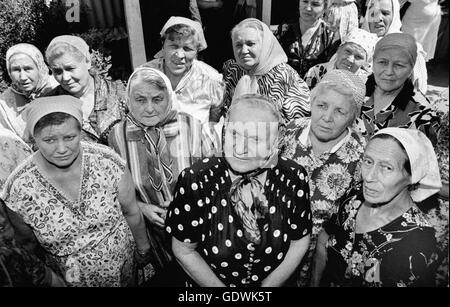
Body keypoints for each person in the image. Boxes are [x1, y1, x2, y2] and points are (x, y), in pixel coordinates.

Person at [1, 96, 151, 287]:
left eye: (70, 137)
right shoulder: (18, 189)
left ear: (81, 132)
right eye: (49, 140)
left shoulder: (107, 162)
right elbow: (27, 244)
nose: (62, 148)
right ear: (34, 139)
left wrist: (144, 250)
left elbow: (131, 211)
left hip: (126, 269)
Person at [165, 94, 312, 287]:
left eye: (255, 138)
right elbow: (184, 251)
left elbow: (299, 241)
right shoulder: (196, 180)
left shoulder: (293, 177)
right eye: (235, 133)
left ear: (275, 141)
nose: (240, 148)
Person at [108, 67, 219, 281]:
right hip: (153, 231)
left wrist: (186, 208)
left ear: (169, 97)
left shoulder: (191, 126)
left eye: (157, 99)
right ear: (128, 100)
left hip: (200, 227)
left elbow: (217, 178)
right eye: (140, 100)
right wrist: (141, 208)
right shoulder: (118, 135)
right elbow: (112, 190)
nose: (149, 108)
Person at [311, 127, 441, 286]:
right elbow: (323, 241)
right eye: (368, 161)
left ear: (412, 176)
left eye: (387, 167)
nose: (370, 177)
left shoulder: (416, 240)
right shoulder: (355, 196)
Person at [280, 69, 367, 286]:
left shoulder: (360, 153)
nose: (327, 118)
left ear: (353, 116)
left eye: (340, 111)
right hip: (273, 243)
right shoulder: (289, 131)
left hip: (318, 257)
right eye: (321, 105)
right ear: (312, 102)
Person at [221, 18, 311, 124]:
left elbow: (299, 124)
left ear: (265, 45)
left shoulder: (282, 75)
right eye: (238, 45)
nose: (244, 51)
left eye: (250, 44)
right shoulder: (233, 70)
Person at [356, 32, 440, 144]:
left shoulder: (423, 114)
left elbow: (421, 158)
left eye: (399, 65)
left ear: (411, 69)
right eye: (382, 62)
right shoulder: (354, 89)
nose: (389, 72)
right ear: (373, 61)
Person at [140, 17, 224, 125]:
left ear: (197, 51)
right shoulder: (145, 75)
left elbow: (215, 117)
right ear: (163, 46)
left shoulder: (210, 79)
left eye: (187, 48)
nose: (179, 55)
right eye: (174, 46)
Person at [45, 35, 126, 145]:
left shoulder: (119, 93)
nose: (65, 78)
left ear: (87, 62)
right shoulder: (49, 106)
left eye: (70, 68)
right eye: (58, 72)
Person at [361, 0, 428, 93]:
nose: (378, 18)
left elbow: (419, 92)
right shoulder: (354, 44)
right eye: (373, 13)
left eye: (385, 13)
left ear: (394, 16)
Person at [0, 43, 58, 142]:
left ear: (39, 67)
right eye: (16, 70)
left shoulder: (57, 87)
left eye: (28, 69)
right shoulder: (5, 102)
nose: (23, 77)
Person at [276, 0, 340, 79]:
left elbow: (332, 71)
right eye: (305, 1)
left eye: (315, 4)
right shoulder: (284, 29)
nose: (308, 8)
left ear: (325, 8)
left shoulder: (330, 36)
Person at [304, 28, 378, 89]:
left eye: (358, 57)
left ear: (365, 62)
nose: (350, 59)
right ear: (339, 50)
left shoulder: (366, 83)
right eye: (348, 51)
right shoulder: (315, 72)